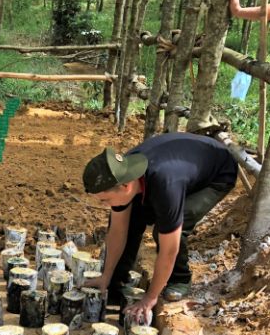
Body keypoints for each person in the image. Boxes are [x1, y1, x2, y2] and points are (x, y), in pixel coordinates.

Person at [82, 133, 237, 322]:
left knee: (172, 225)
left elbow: (169, 249)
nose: (105, 205)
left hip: (217, 173)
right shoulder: (121, 173)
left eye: (105, 200)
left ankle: (180, 279)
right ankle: (115, 282)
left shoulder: (166, 185)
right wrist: (106, 275)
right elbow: (117, 231)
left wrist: (150, 298)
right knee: (131, 220)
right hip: (181, 164)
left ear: (125, 187)